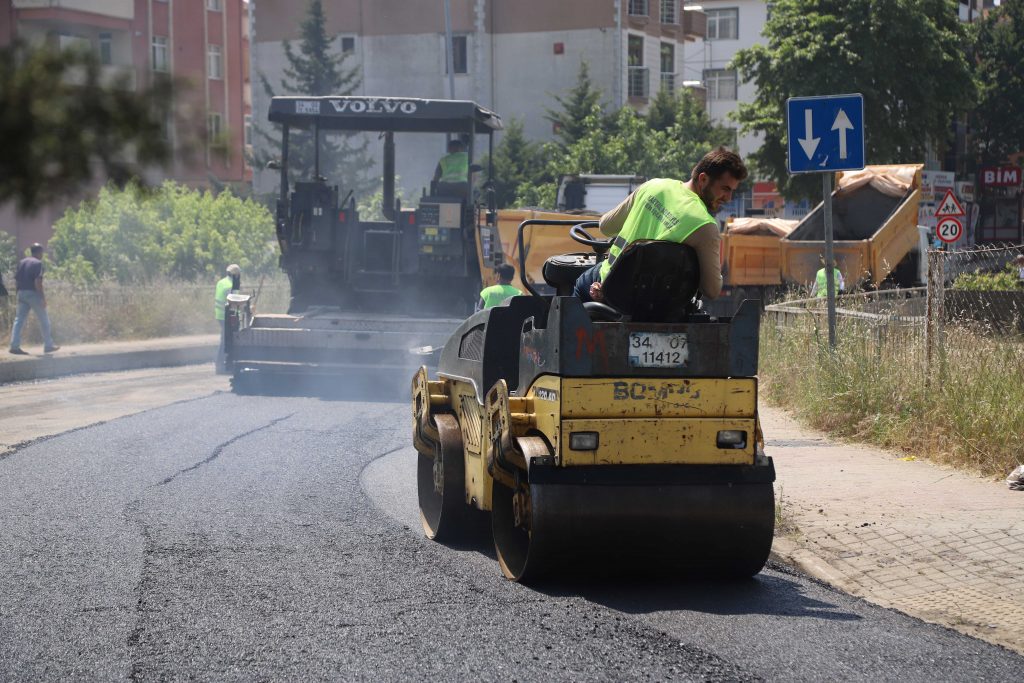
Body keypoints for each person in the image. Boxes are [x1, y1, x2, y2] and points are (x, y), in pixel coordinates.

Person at [573, 148, 747, 303]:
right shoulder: (706, 226)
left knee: (578, 282)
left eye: (731, 190)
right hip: (661, 306)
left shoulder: (653, 186)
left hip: (611, 292)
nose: (729, 198)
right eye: (725, 188)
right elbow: (712, 290)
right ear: (703, 179)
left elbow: (606, 227)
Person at [9, 243, 58, 355]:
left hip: (21, 293)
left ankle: (14, 346)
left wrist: (18, 293)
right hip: (33, 293)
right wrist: (42, 298)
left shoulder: (22, 262)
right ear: (39, 252)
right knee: (44, 319)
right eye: (42, 252)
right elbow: (38, 282)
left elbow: (16, 279)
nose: (42, 254)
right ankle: (48, 345)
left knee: (19, 320)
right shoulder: (38, 264)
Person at [215, 264, 241, 373]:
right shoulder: (231, 286)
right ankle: (223, 366)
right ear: (235, 275)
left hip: (219, 315)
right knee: (227, 341)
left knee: (224, 340)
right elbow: (234, 303)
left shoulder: (221, 282)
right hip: (228, 316)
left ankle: (221, 365)